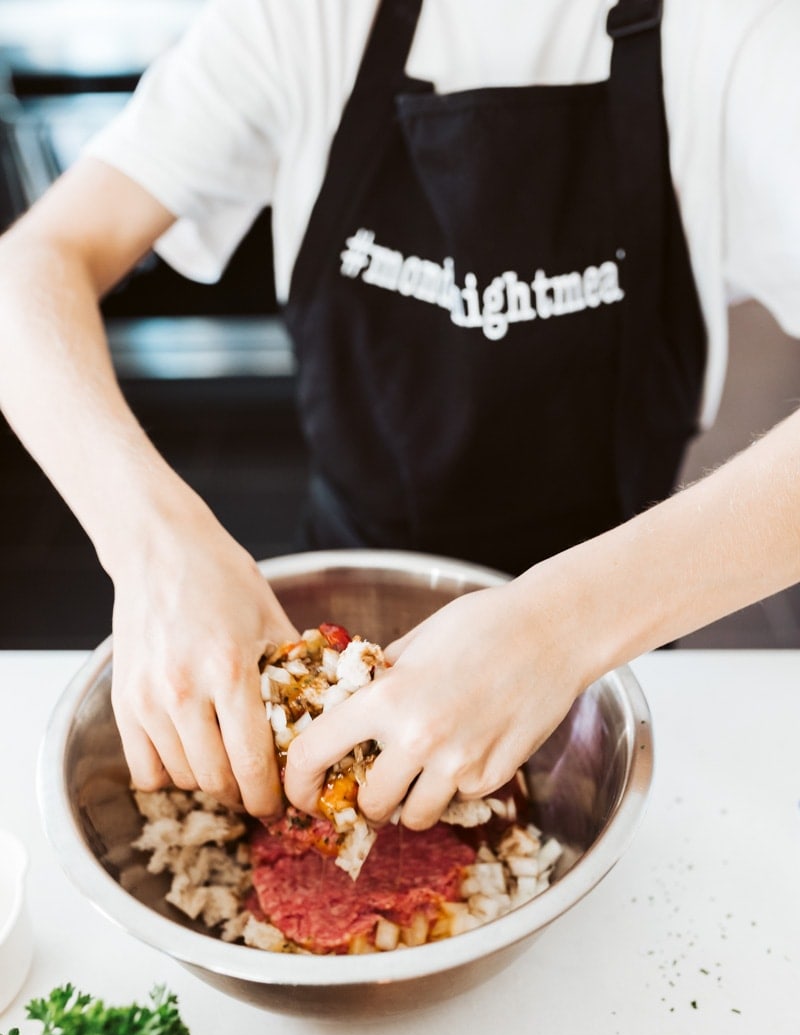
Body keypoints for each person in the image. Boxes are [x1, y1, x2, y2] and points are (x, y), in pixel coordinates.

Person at [0, 0, 799, 832]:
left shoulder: (735, 26)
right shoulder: (301, 19)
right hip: (340, 621)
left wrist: (556, 625)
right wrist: (152, 545)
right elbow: (29, 265)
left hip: (614, 634)